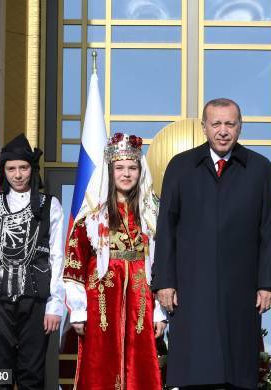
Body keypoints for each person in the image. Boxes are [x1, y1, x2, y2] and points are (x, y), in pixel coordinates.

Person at [152, 98, 271, 389]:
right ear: (204, 127)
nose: (223, 131)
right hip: (190, 287)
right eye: (216, 124)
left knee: (238, 373)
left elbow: (270, 230)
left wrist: (269, 283)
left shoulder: (259, 168)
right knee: (195, 372)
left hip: (242, 288)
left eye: (230, 124)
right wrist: (164, 282)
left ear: (240, 127)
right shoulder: (181, 166)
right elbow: (167, 228)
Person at [63, 133, 167, 389]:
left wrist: (160, 312)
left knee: (140, 362)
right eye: (120, 168)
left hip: (141, 297)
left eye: (132, 168)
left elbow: (163, 263)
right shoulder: (92, 214)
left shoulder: (151, 213)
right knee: (99, 363)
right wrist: (78, 309)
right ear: (109, 171)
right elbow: (74, 264)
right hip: (100, 298)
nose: (126, 174)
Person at [0, 134, 65, 389]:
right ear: (4, 171)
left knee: (32, 374)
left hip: (36, 301)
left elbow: (57, 256)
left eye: (23, 167)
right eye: (11, 168)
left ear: (32, 170)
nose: (18, 174)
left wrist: (55, 305)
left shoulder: (49, 205)